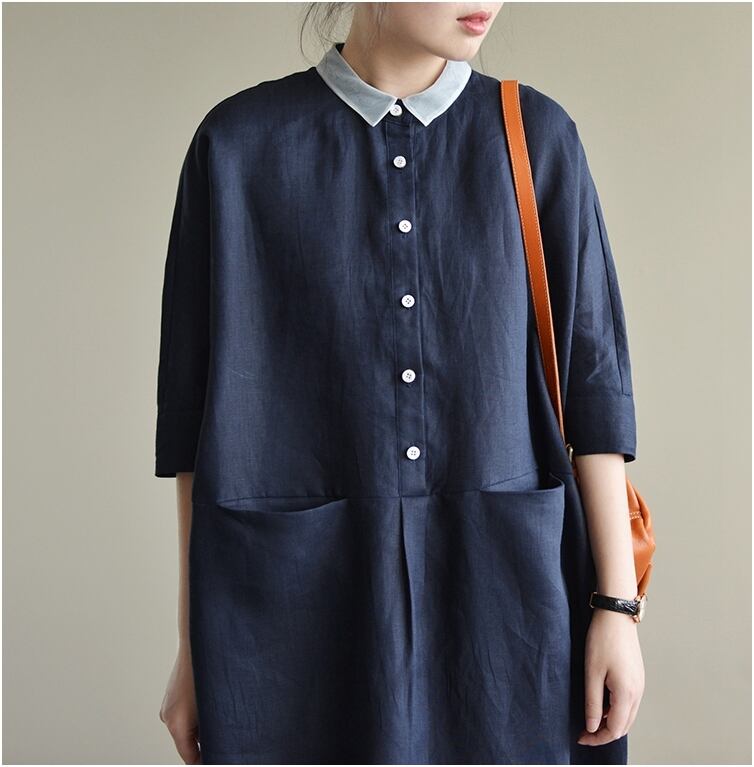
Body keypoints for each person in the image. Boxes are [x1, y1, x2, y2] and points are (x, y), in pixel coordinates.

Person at [155, 3, 646, 764]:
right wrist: (192, 646)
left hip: (509, 611)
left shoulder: (537, 138)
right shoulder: (237, 147)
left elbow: (594, 388)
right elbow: (193, 428)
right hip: (293, 626)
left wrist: (617, 606)